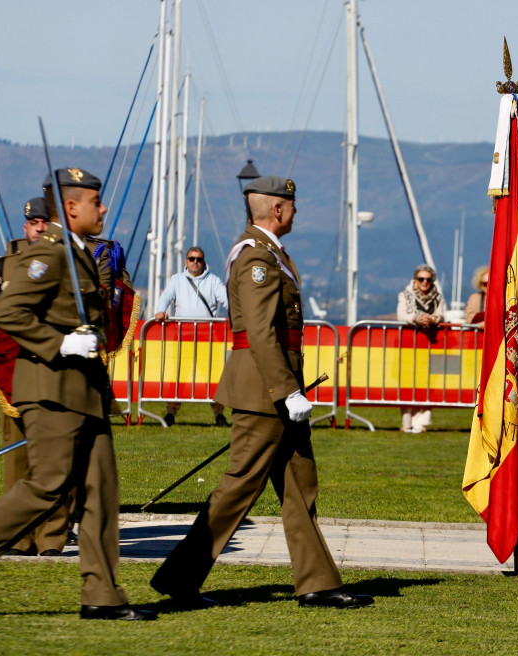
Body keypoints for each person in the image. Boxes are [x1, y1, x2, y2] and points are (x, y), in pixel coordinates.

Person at [0, 168, 155, 621]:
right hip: (52, 391)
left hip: (85, 393)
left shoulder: (82, 253)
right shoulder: (50, 255)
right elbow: (9, 310)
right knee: (46, 486)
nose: (102, 208)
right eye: (94, 201)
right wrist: (60, 342)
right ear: (71, 208)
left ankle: (102, 596)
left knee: (101, 493)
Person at [150, 175, 373, 610]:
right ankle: (179, 578)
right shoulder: (256, 256)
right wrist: (285, 391)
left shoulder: (268, 253)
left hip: (276, 387)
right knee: (239, 487)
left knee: (299, 485)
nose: (296, 211)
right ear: (277, 209)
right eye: (292, 205)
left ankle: (317, 583)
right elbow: (260, 330)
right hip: (264, 391)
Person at [0, 197, 72, 557]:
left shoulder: (66, 258)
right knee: (17, 457)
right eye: (33, 222)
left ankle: (52, 538)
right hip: (15, 373)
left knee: (55, 458)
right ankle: (18, 537)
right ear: (25, 227)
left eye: (44, 222)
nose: (39, 228)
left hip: (54, 369)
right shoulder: (7, 263)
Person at [154, 246, 230, 427]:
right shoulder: (177, 280)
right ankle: (171, 413)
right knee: (178, 374)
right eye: (192, 259)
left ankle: (219, 414)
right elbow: (165, 297)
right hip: (182, 336)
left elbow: (227, 299)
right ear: (185, 261)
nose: (195, 262)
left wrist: (234, 314)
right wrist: (160, 311)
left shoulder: (213, 281)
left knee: (213, 376)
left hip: (208, 337)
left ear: (203, 262)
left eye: (199, 259)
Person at [396, 264, 446, 433]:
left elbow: (442, 314)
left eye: (428, 279)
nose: (425, 282)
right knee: (407, 381)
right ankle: (407, 421)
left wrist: (433, 319)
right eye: (421, 279)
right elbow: (401, 314)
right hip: (409, 345)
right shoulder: (405, 295)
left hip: (431, 345)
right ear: (415, 280)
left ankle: (421, 422)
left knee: (428, 382)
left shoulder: (438, 297)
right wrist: (416, 318)